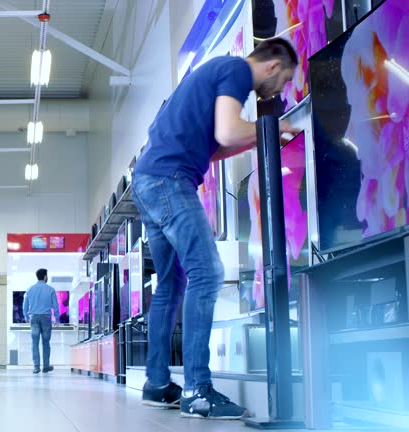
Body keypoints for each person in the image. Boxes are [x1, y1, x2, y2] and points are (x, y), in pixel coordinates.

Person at [131, 38, 301, 420]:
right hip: (169, 180)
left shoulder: (213, 75)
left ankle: (157, 384)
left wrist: (257, 137)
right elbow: (227, 132)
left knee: (170, 285)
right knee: (206, 273)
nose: (280, 89)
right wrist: (275, 125)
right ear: (273, 67)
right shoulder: (237, 70)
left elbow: (214, 146)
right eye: (285, 79)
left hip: (147, 180)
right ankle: (197, 390)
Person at [23, 268, 59, 374]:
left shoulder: (30, 289)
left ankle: (36, 367)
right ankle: (46, 366)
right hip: (46, 318)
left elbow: (25, 305)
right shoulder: (50, 289)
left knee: (34, 343)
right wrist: (57, 319)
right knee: (46, 342)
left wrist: (26, 316)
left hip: (33, 317)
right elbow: (55, 306)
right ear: (45, 277)